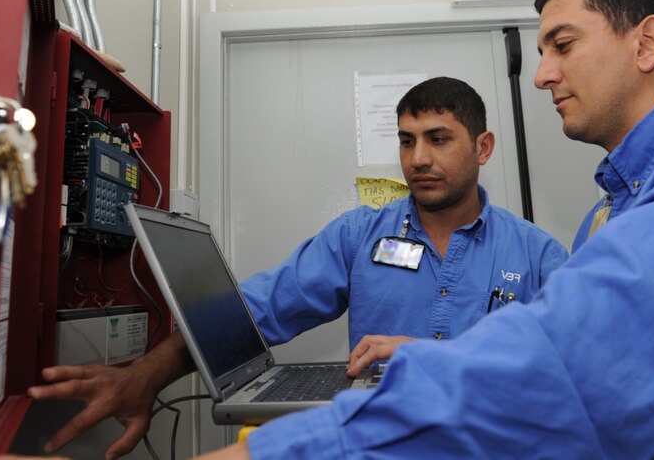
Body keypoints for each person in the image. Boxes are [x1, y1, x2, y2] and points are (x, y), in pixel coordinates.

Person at [185, 0, 654, 459]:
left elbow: (572, 373)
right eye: (407, 141)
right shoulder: (610, 212)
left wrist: (271, 452)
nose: (542, 74)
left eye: (562, 45)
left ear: (647, 43)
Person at [28, 76, 568, 458]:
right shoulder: (361, 235)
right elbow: (252, 312)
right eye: (407, 140)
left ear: (484, 146)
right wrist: (145, 375)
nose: (418, 159)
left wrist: (442, 358)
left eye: (438, 139)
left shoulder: (538, 255)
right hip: (379, 446)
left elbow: (566, 372)